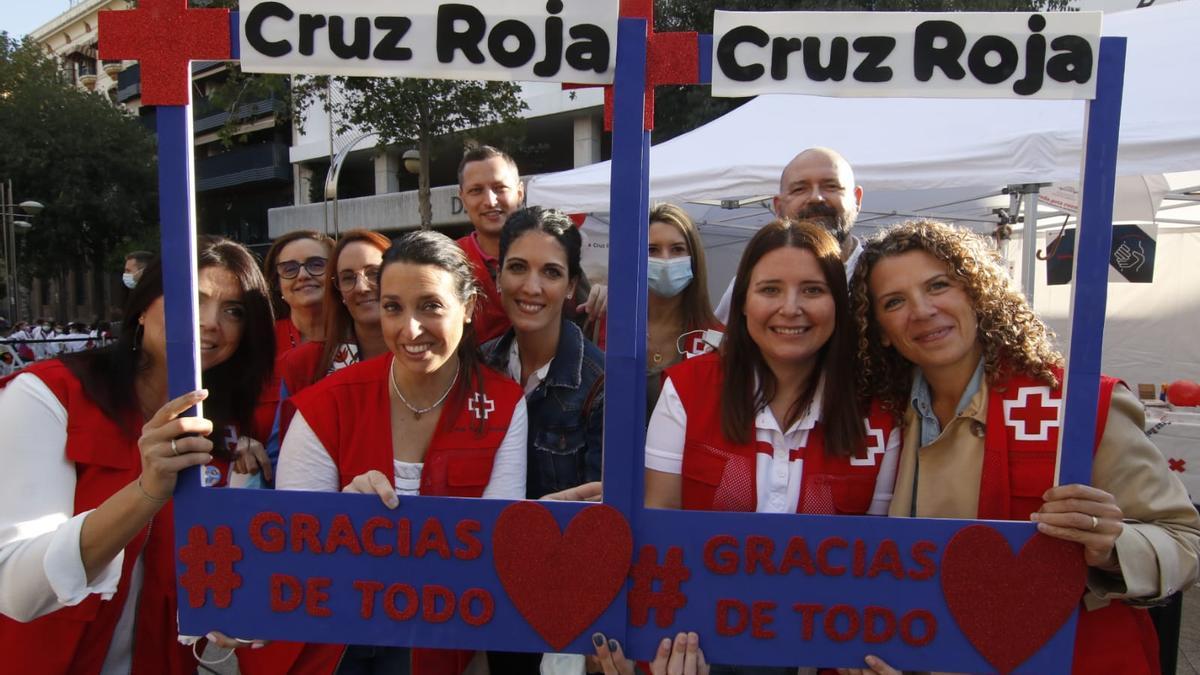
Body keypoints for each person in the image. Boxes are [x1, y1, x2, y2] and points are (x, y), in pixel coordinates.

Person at [846, 220, 1200, 675]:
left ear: (978, 292)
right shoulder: (869, 421)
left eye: (939, 285)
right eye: (894, 301)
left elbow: (1183, 539)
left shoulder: (1080, 407)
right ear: (878, 329)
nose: (922, 310)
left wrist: (1113, 549)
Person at [0, 238, 275, 675]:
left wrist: (238, 607)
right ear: (143, 307)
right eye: (192, 299)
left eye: (234, 311)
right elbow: (17, 590)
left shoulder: (225, 431)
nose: (210, 323)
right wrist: (146, 492)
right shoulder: (47, 395)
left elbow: (216, 581)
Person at [276, 229, 528, 675]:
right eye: (393, 307)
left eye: (430, 306)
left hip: (441, 645)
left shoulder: (504, 403)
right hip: (332, 644)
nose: (409, 329)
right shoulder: (326, 404)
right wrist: (340, 519)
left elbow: (497, 549)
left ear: (468, 308)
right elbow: (293, 551)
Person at [646, 219, 898, 516]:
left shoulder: (880, 413)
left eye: (813, 290)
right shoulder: (687, 389)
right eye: (770, 290)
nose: (790, 309)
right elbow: (660, 522)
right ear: (742, 302)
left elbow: (880, 548)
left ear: (838, 304)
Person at [482, 207, 605, 498]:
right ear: (499, 277)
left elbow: (603, 516)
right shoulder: (475, 367)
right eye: (518, 267)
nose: (531, 287)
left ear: (571, 286)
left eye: (551, 272)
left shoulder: (604, 385)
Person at [456, 145, 607, 343]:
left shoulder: (555, 252)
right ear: (463, 199)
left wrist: (603, 300)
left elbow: (589, 324)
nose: (490, 201)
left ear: (520, 193)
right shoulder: (450, 260)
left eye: (500, 188)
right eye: (476, 190)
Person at [715, 147, 864, 324]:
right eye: (800, 189)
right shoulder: (751, 284)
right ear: (778, 207)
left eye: (831, 186)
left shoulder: (881, 277)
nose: (816, 198)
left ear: (857, 200)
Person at [645, 203, 722, 418]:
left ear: (693, 259)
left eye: (677, 249)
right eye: (652, 250)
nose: (666, 260)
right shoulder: (607, 324)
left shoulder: (715, 339)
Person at [263, 230, 335, 355]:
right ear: (277, 283)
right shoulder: (262, 341)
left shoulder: (362, 335)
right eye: (290, 269)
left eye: (316, 265)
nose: (303, 275)